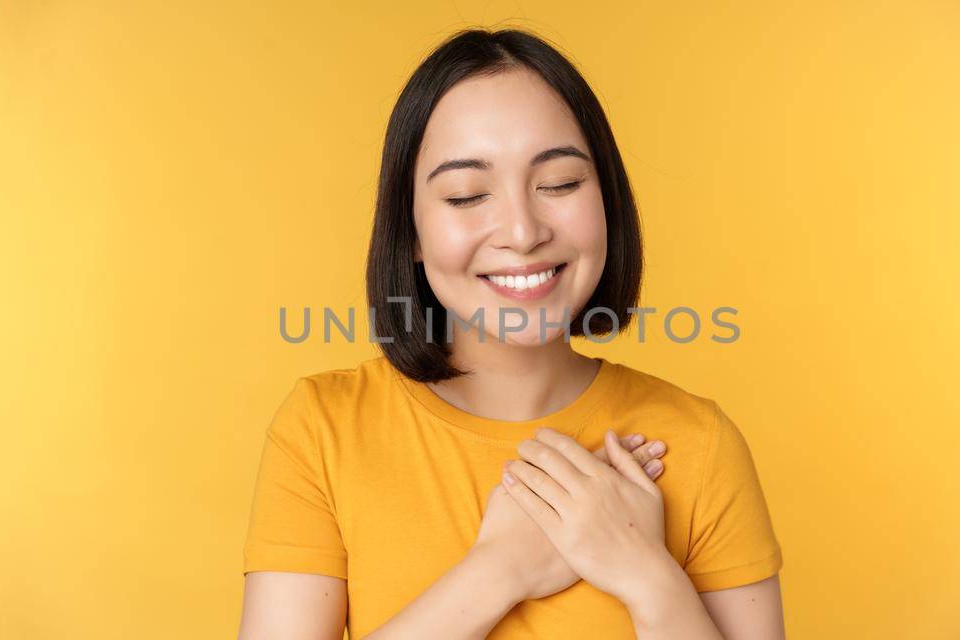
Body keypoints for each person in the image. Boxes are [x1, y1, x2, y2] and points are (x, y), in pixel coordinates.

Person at [239, 28, 785, 639]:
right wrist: (500, 569)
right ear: (411, 233)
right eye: (468, 194)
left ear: (607, 202)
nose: (522, 232)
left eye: (559, 184)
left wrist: (644, 573)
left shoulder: (699, 445)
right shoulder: (323, 430)